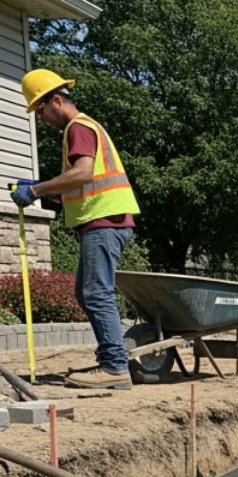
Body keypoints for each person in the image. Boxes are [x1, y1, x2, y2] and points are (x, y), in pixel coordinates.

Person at [15, 69, 141, 389]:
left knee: (96, 294)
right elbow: (78, 185)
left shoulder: (78, 128)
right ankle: (111, 359)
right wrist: (44, 189)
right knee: (87, 294)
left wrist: (37, 191)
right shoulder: (83, 128)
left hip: (103, 221)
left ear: (56, 100)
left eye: (40, 109)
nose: (40, 117)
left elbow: (83, 174)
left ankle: (114, 367)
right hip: (102, 221)